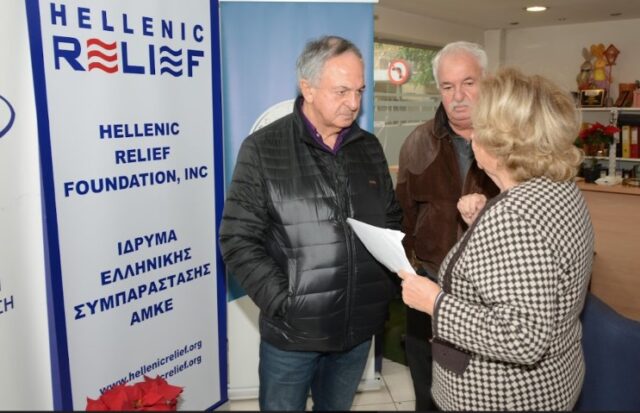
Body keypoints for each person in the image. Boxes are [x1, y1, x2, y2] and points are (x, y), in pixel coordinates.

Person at [218, 35, 402, 411]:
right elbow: (237, 238)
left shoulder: (368, 147)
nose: (354, 103)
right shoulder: (263, 149)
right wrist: (285, 302)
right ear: (308, 88)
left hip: (357, 331)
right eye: (341, 91)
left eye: (359, 91)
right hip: (293, 336)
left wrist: (380, 290)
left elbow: (391, 219)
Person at [397, 67, 595, 410]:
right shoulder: (558, 189)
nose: (472, 137)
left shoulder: (514, 218)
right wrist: (484, 221)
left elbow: (522, 338)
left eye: (479, 128)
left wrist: (435, 303)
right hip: (553, 382)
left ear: (503, 145)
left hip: (503, 397)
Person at [395, 41, 499, 411]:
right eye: (447, 86)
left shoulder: (512, 142)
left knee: (479, 392)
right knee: (427, 387)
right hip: (431, 283)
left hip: (492, 294)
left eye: (468, 83)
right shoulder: (417, 142)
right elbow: (403, 215)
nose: (458, 97)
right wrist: (411, 271)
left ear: (487, 82)